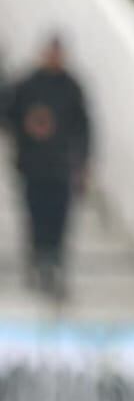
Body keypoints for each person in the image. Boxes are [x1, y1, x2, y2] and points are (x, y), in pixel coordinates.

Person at [5, 33, 91, 301]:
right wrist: (27, 126)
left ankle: (54, 266)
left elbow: (84, 128)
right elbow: (8, 113)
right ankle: (37, 264)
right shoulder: (28, 85)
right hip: (32, 166)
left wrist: (84, 162)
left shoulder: (71, 87)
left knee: (59, 220)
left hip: (60, 166)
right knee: (35, 217)